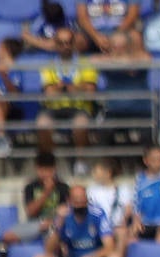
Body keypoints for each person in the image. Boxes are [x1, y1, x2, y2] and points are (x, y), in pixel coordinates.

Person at [35, 27, 99, 168]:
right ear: (56, 44)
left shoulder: (86, 64)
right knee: (42, 124)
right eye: (61, 43)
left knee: (81, 123)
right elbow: (49, 93)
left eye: (68, 42)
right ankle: (50, 164)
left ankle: (80, 162)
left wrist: (61, 87)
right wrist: (77, 87)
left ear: (74, 43)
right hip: (54, 108)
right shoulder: (49, 66)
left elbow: (90, 91)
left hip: (79, 107)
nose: (65, 46)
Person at [22, 151, 72, 242]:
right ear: (37, 169)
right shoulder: (30, 187)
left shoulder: (63, 187)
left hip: (57, 225)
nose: (45, 174)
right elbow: (30, 212)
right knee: (11, 235)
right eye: (41, 170)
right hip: (35, 224)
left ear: (54, 169)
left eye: (48, 170)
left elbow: (67, 212)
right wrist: (46, 192)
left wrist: (53, 222)